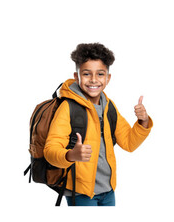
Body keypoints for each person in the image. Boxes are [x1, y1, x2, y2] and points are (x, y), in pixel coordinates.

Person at [43, 43, 153, 206]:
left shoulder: (108, 106)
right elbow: (50, 150)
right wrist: (71, 155)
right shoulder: (68, 107)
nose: (93, 79)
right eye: (86, 74)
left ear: (108, 78)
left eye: (100, 74)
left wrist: (143, 121)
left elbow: (129, 143)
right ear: (76, 76)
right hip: (80, 192)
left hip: (108, 190)